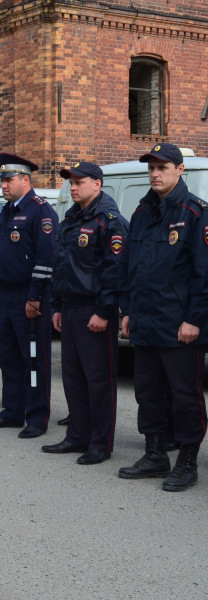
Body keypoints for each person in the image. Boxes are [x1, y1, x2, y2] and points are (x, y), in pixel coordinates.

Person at [117, 143, 208, 491]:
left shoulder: (197, 213)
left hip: (179, 324)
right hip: (144, 320)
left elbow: (203, 275)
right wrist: (127, 310)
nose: (155, 173)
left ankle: (187, 461)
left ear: (180, 170)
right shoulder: (141, 212)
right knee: (148, 392)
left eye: (162, 167)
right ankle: (155, 453)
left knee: (185, 395)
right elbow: (130, 266)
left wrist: (194, 319)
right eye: (151, 167)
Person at [43, 161, 128, 465]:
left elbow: (114, 270)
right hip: (70, 307)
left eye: (80, 181)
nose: (73, 186)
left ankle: (99, 444)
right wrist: (56, 306)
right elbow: (61, 266)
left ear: (97, 184)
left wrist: (105, 311)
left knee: (99, 380)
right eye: (71, 182)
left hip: (95, 310)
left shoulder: (109, 220)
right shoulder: (70, 219)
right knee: (73, 377)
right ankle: (77, 435)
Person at [0, 152, 58, 438]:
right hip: (5, 294)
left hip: (29, 296)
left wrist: (35, 296)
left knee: (34, 359)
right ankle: (12, 412)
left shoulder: (41, 210)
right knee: (9, 358)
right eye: (2, 180)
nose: (3, 185)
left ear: (25, 180)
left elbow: (46, 256)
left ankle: (36, 418)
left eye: (8, 180)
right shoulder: (6, 211)